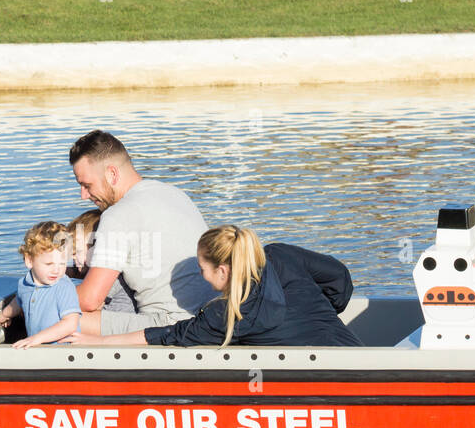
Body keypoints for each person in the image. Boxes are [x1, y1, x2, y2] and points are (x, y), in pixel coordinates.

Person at [64, 225, 365, 348]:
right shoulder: (279, 254)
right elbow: (340, 280)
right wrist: (319, 309)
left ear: (223, 270)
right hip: (355, 351)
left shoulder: (226, 315)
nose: (202, 278)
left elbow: (167, 335)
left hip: (325, 381)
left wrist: (99, 343)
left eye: (201, 270)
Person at [67, 130, 216, 335]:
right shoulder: (174, 194)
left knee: (50, 314)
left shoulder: (118, 215)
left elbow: (89, 301)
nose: (83, 195)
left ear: (112, 174)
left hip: (168, 324)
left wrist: (32, 297)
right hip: (209, 317)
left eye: (86, 185)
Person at [0, 221, 81, 348]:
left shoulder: (64, 287)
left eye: (62, 264)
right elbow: (19, 301)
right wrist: (4, 315)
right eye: (49, 264)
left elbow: (70, 323)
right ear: (29, 260)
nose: (56, 270)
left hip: (63, 351)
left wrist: (36, 338)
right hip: (38, 348)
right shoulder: (25, 283)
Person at [65, 209, 136, 313]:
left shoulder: (111, 274)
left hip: (117, 320)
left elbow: (88, 303)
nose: (72, 256)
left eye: (77, 252)